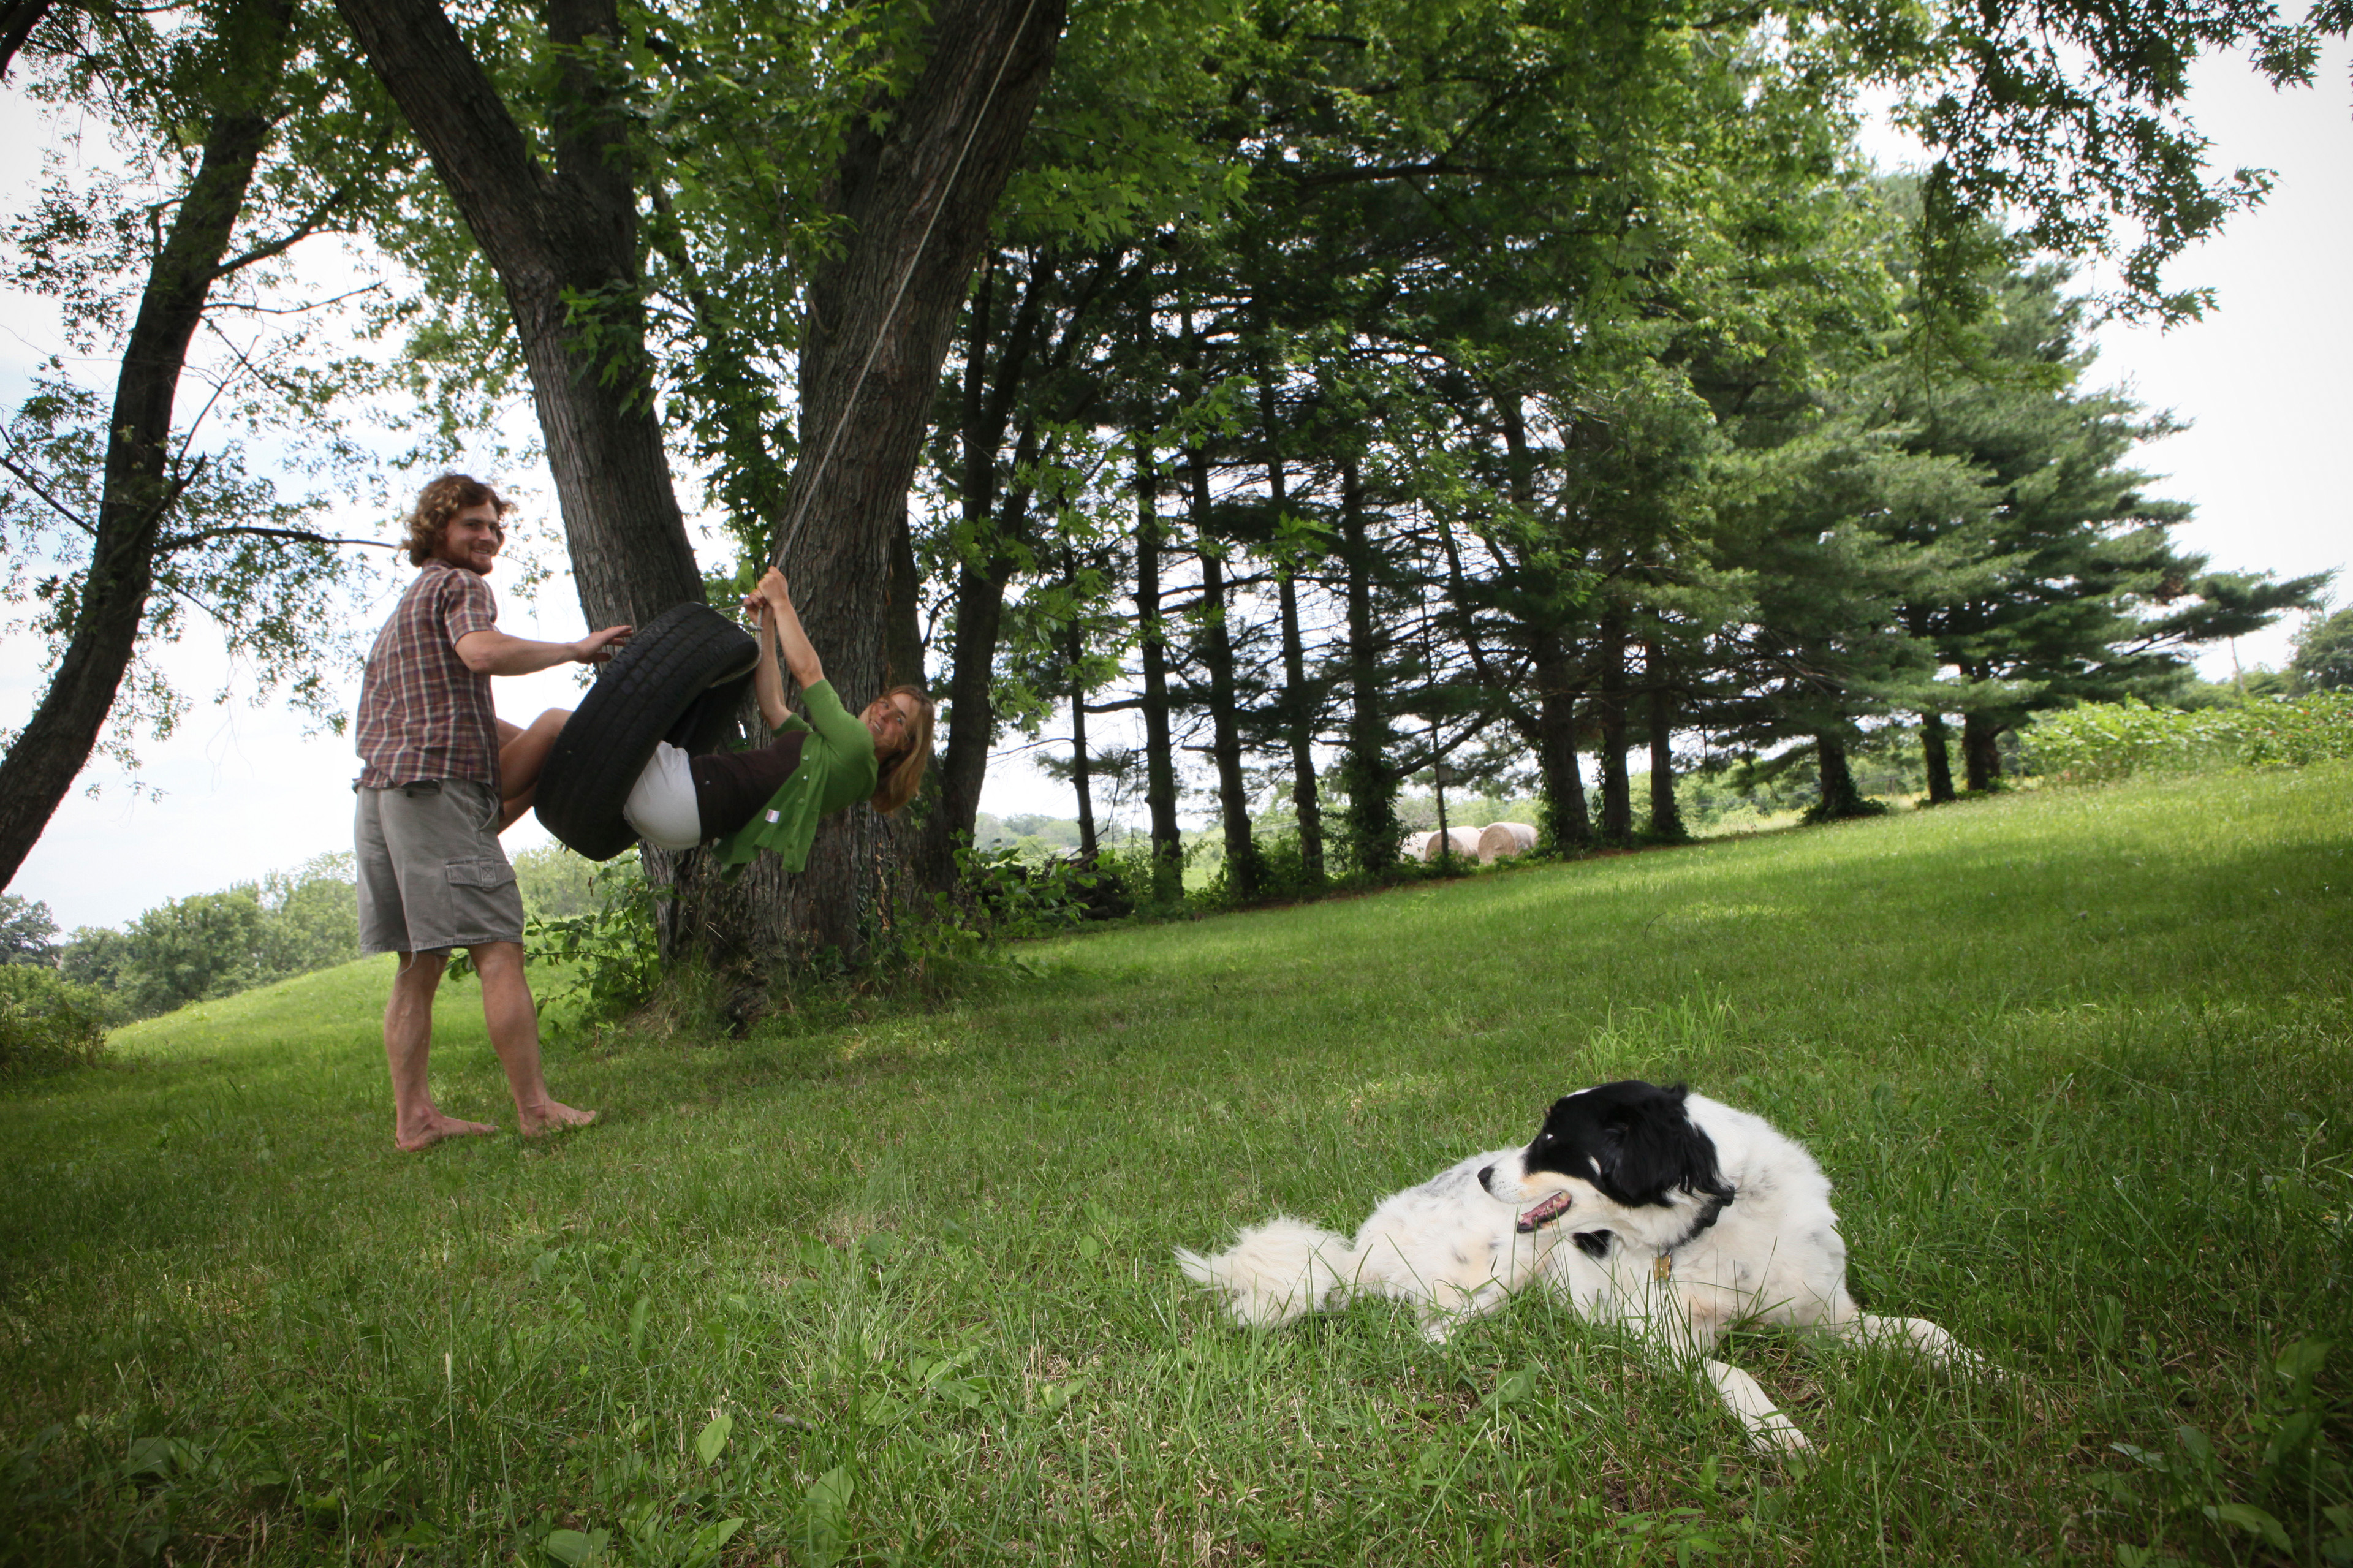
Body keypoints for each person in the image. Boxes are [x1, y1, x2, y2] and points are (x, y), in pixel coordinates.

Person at [352, 474, 632, 1151]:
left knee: (418, 965)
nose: (487, 538)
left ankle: (414, 1119)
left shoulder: (406, 610)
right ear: (440, 529)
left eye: (494, 528)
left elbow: (461, 708)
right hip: (437, 791)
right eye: (472, 524)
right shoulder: (459, 588)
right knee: (499, 951)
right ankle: (535, 1108)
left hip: (383, 796)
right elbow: (481, 652)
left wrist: (542, 751)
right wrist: (574, 648)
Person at [497, 567, 934, 865]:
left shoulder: (857, 751)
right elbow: (773, 705)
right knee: (561, 747)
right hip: (683, 821)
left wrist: (783, 602)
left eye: (900, 720)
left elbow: (808, 671)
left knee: (558, 723)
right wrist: (764, 624)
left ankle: (472, 811)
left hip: (687, 794)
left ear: (904, 747)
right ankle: (480, 813)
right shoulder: (833, 761)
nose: (884, 714)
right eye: (886, 703)